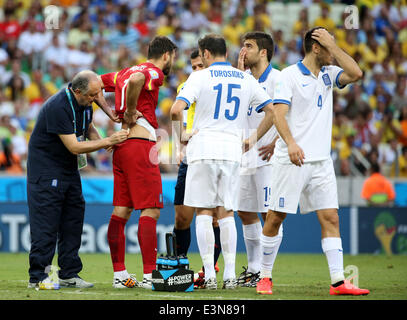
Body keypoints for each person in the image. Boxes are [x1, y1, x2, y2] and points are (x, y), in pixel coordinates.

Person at [256, 27, 370, 296]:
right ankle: (264, 276)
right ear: (316, 48)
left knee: (331, 218)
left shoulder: (330, 75)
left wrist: (335, 46)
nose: (333, 52)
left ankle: (338, 282)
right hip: (291, 160)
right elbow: (279, 115)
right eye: (328, 46)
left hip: (320, 162)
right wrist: (290, 144)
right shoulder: (288, 76)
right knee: (275, 218)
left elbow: (356, 73)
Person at [170, 34, 274, 290]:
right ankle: (228, 274)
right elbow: (272, 111)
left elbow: (175, 110)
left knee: (204, 211)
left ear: (205, 54)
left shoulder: (198, 77)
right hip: (231, 150)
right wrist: (252, 138)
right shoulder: (246, 79)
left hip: (203, 148)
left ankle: (208, 273)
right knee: (227, 212)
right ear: (226, 53)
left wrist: (180, 136)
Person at [27, 70, 129, 290]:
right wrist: (108, 141)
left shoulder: (84, 102)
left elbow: (89, 127)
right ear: (78, 91)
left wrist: (104, 141)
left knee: (73, 219)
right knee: (46, 224)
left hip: (68, 170)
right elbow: (74, 146)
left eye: (96, 94)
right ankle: (38, 276)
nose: (95, 98)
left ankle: (68, 273)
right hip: (46, 171)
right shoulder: (58, 106)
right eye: (92, 95)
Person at [99, 36, 177, 289]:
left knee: (121, 211)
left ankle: (119, 274)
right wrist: (131, 109)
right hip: (141, 145)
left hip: (121, 146)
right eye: (173, 57)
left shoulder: (123, 72)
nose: (171, 62)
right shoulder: (153, 72)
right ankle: (149, 275)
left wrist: (110, 112)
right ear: (166, 55)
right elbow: (137, 81)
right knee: (151, 210)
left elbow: (94, 83)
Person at [235, 31, 282, 288]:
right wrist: (238, 73)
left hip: (268, 157)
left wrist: (277, 142)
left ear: (263, 52)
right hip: (245, 157)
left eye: (249, 46)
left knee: (269, 214)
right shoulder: (243, 80)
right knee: (244, 211)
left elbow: (290, 116)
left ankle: (266, 272)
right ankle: (253, 269)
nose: (243, 51)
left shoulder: (277, 79)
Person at [172, 49, 221, 288]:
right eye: (193, 67)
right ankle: (179, 267)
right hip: (189, 158)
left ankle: (207, 270)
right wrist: (180, 139)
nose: (196, 71)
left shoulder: (216, 87)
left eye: (200, 66)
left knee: (213, 218)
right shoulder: (185, 87)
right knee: (182, 218)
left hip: (212, 155)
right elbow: (177, 116)